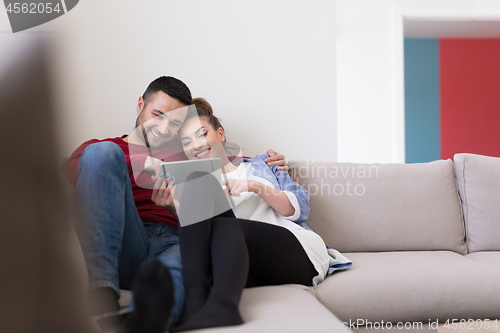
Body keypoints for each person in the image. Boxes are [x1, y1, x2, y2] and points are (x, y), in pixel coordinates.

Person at [62, 77, 289, 332]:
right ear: (140, 105)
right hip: (125, 239)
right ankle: (102, 289)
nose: (163, 128)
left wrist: (265, 162)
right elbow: (81, 183)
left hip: (175, 240)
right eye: (157, 114)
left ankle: (145, 319)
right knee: (102, 153)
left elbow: (225, 163)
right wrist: (142, 166)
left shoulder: (184, 153)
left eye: (175, 124)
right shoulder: (103, 149)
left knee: (178, 271)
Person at [150, 98, 338, 332]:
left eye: (202, 134)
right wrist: (172, 208)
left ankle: (223, 307)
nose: (196, 145)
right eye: (187, 141)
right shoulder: (196, 186)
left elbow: (298, 208)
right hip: (244, 262)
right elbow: (200, 241)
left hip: (296, 253)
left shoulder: (262, 166)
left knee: (226, 227)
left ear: (220, 134)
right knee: (203, 189)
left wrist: (254, 185)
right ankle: (196, 303)